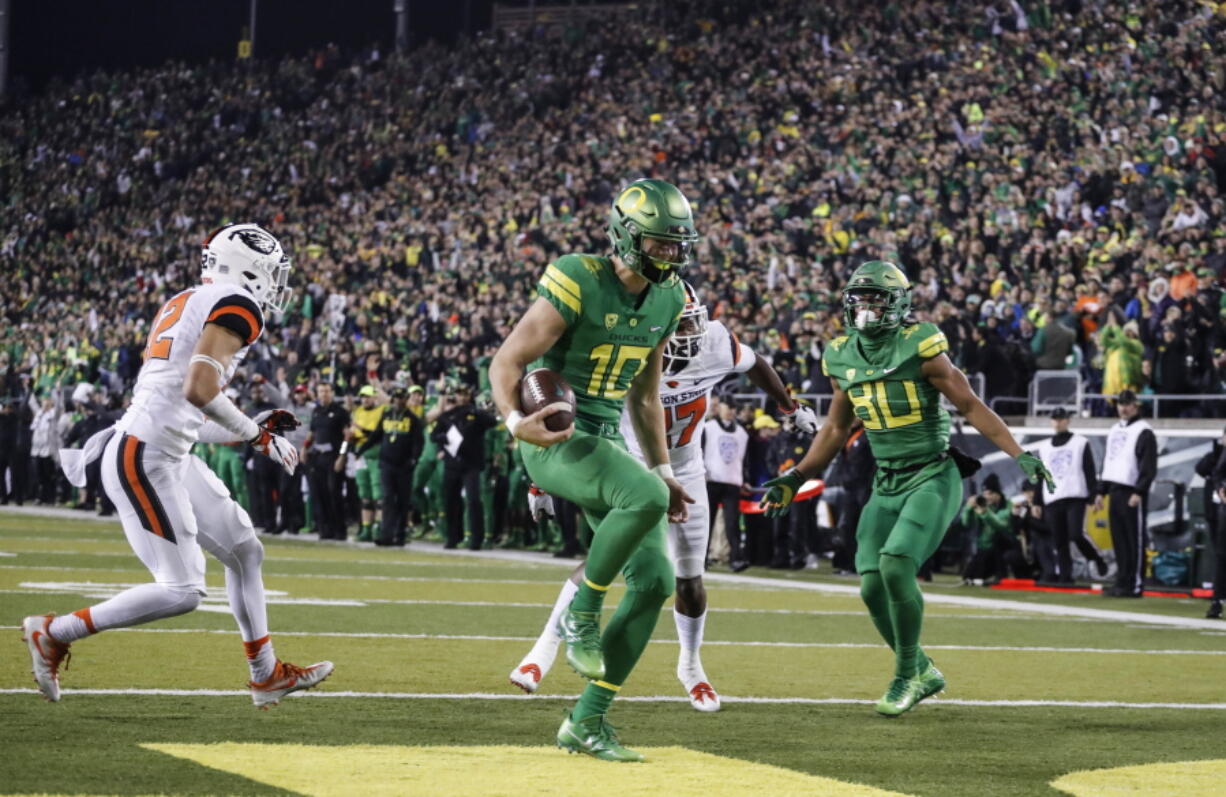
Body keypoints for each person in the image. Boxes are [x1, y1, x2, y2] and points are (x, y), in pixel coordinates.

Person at [21, 223, 332, 706]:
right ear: (248, 268)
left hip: (161, 449)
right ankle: (55, 632)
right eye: (271, 272)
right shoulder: (239, 304)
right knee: (183, 590)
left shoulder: (185, 301)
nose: (275, 284)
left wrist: (249, 429)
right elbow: (199, 392)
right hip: (145, 457)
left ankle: (266, 673)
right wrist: (254, 435)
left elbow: (187, 417)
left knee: (245, 551)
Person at [760, 260, 1054, 718]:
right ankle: (921, 666)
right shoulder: (840, 354)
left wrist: (1019, 452)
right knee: (871, 586)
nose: (866, 308)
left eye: (876, 298)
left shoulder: (922, 346)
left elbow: (971, 406)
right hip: (887, 479)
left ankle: (904, 677)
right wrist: (797, 475)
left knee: (896, 565)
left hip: (932, 474)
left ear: (897, 303)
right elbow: (836, 429)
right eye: (859, 299)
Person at [509, 282, 814, 712]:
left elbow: (755, 361)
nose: (687, 333)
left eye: (691, 322)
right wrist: (541, 480)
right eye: (677, 325)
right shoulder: (627, 348)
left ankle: (690, 665)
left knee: (689, 579)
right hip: (628, 461)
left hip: (686, 468)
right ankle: (545, 645)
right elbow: (572, 413)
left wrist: (787, 406)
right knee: (609, 557)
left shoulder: (713, 341)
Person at [489, 178, 694, 762]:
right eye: (660, 244)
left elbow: (649, 396)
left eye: (678, 244)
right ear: (627, 237)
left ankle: (587, 720)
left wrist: (662, 464)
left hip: (609, 442)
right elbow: (509, 358)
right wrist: (513, 421)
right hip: (556, 434)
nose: (671, 255)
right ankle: (582, 611)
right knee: (646, 498)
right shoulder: (579, 276)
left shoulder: (671, 297)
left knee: (657, 582)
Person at [1095, 389, 1157, 598]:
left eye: (1127, 403)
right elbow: (1108, 461)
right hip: (1115, 488)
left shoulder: (1143, 431)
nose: (1123, 407)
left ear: (1135, 405)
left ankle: (1135, 584)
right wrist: (1100, 491)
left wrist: (1140, 490)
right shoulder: (1114, 429)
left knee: (1134, 539)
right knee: (1119, 538)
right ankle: (1122, 581)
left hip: (1132, 490)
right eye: (1120, 404)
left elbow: (1148, 464)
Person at [1037, 408, 1108, 582]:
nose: (1058, 422)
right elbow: (1041, 476)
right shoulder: (1044, 447)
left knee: (1076, 534)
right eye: (1055, 419)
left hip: (1075, 495)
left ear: (1068, 420)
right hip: (1053, 497)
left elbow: (1089, 470)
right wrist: (1037, 502)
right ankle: (1065, 577)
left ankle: (1096, 558)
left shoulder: (1080, 442)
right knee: (1059, 540)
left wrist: (1095, 493)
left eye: (1061, 419)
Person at [432, 382, 498, 550]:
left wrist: (477, 412)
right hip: (452, 463)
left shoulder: (476, 414)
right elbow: (434, 434)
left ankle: (476, 539)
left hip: (472, 464)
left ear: (469, 396)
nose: (462, 397)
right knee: (451, 501)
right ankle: (453, 537)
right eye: (459, 394)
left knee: (473, 500)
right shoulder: (448, 415)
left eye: (465, 394)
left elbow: (492, 422)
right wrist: (443, 439)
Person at [356, 385, 424, 546]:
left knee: (402, 500)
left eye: (402, 398)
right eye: (396, 398)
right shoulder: (386, 415)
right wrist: (362, 449)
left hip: (404, 465)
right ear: (392, 400)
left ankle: (399, 535)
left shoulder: (413, 419)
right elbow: (377, 434)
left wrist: (414, 459)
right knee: (387, 499)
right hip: (386, 463)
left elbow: (418, 442)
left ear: (406, 400)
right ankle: (386, 534)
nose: (398, 401)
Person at [703, 401, 750, 573]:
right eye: (727, 407)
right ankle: (701, 558)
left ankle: (735, 558)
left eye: (732, 408)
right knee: (706, 522)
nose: (730, 411)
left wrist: (745, 479)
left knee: (732, 523)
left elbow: (744, 460)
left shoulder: (742, 433)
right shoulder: (708, 428)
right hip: (711, 480)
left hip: (732, 481)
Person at [302, 381, 349, 540]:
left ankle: (339, 530)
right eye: (321, 391)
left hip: (334, 456)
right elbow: (311, 434)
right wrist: (304, 448)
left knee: (334, 493)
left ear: (332, 393)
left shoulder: (340, 412)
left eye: (327, 391)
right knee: (318, 493)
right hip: (318, 455)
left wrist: (342, 456)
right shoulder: (316, 411)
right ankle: (325, 529)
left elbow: (347, 437)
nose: (324, 394)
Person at [348, 384, 386, 542]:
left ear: (375, 397)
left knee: (378, 493)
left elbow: (376, 434)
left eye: (368, 396)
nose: (365, 399)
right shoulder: (358, 412)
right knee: (364, 493)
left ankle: (378, 527)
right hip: (360, 454)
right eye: (363, 396)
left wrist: (360, 429)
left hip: (374, 453)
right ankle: (366, 528)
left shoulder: (381, 411)